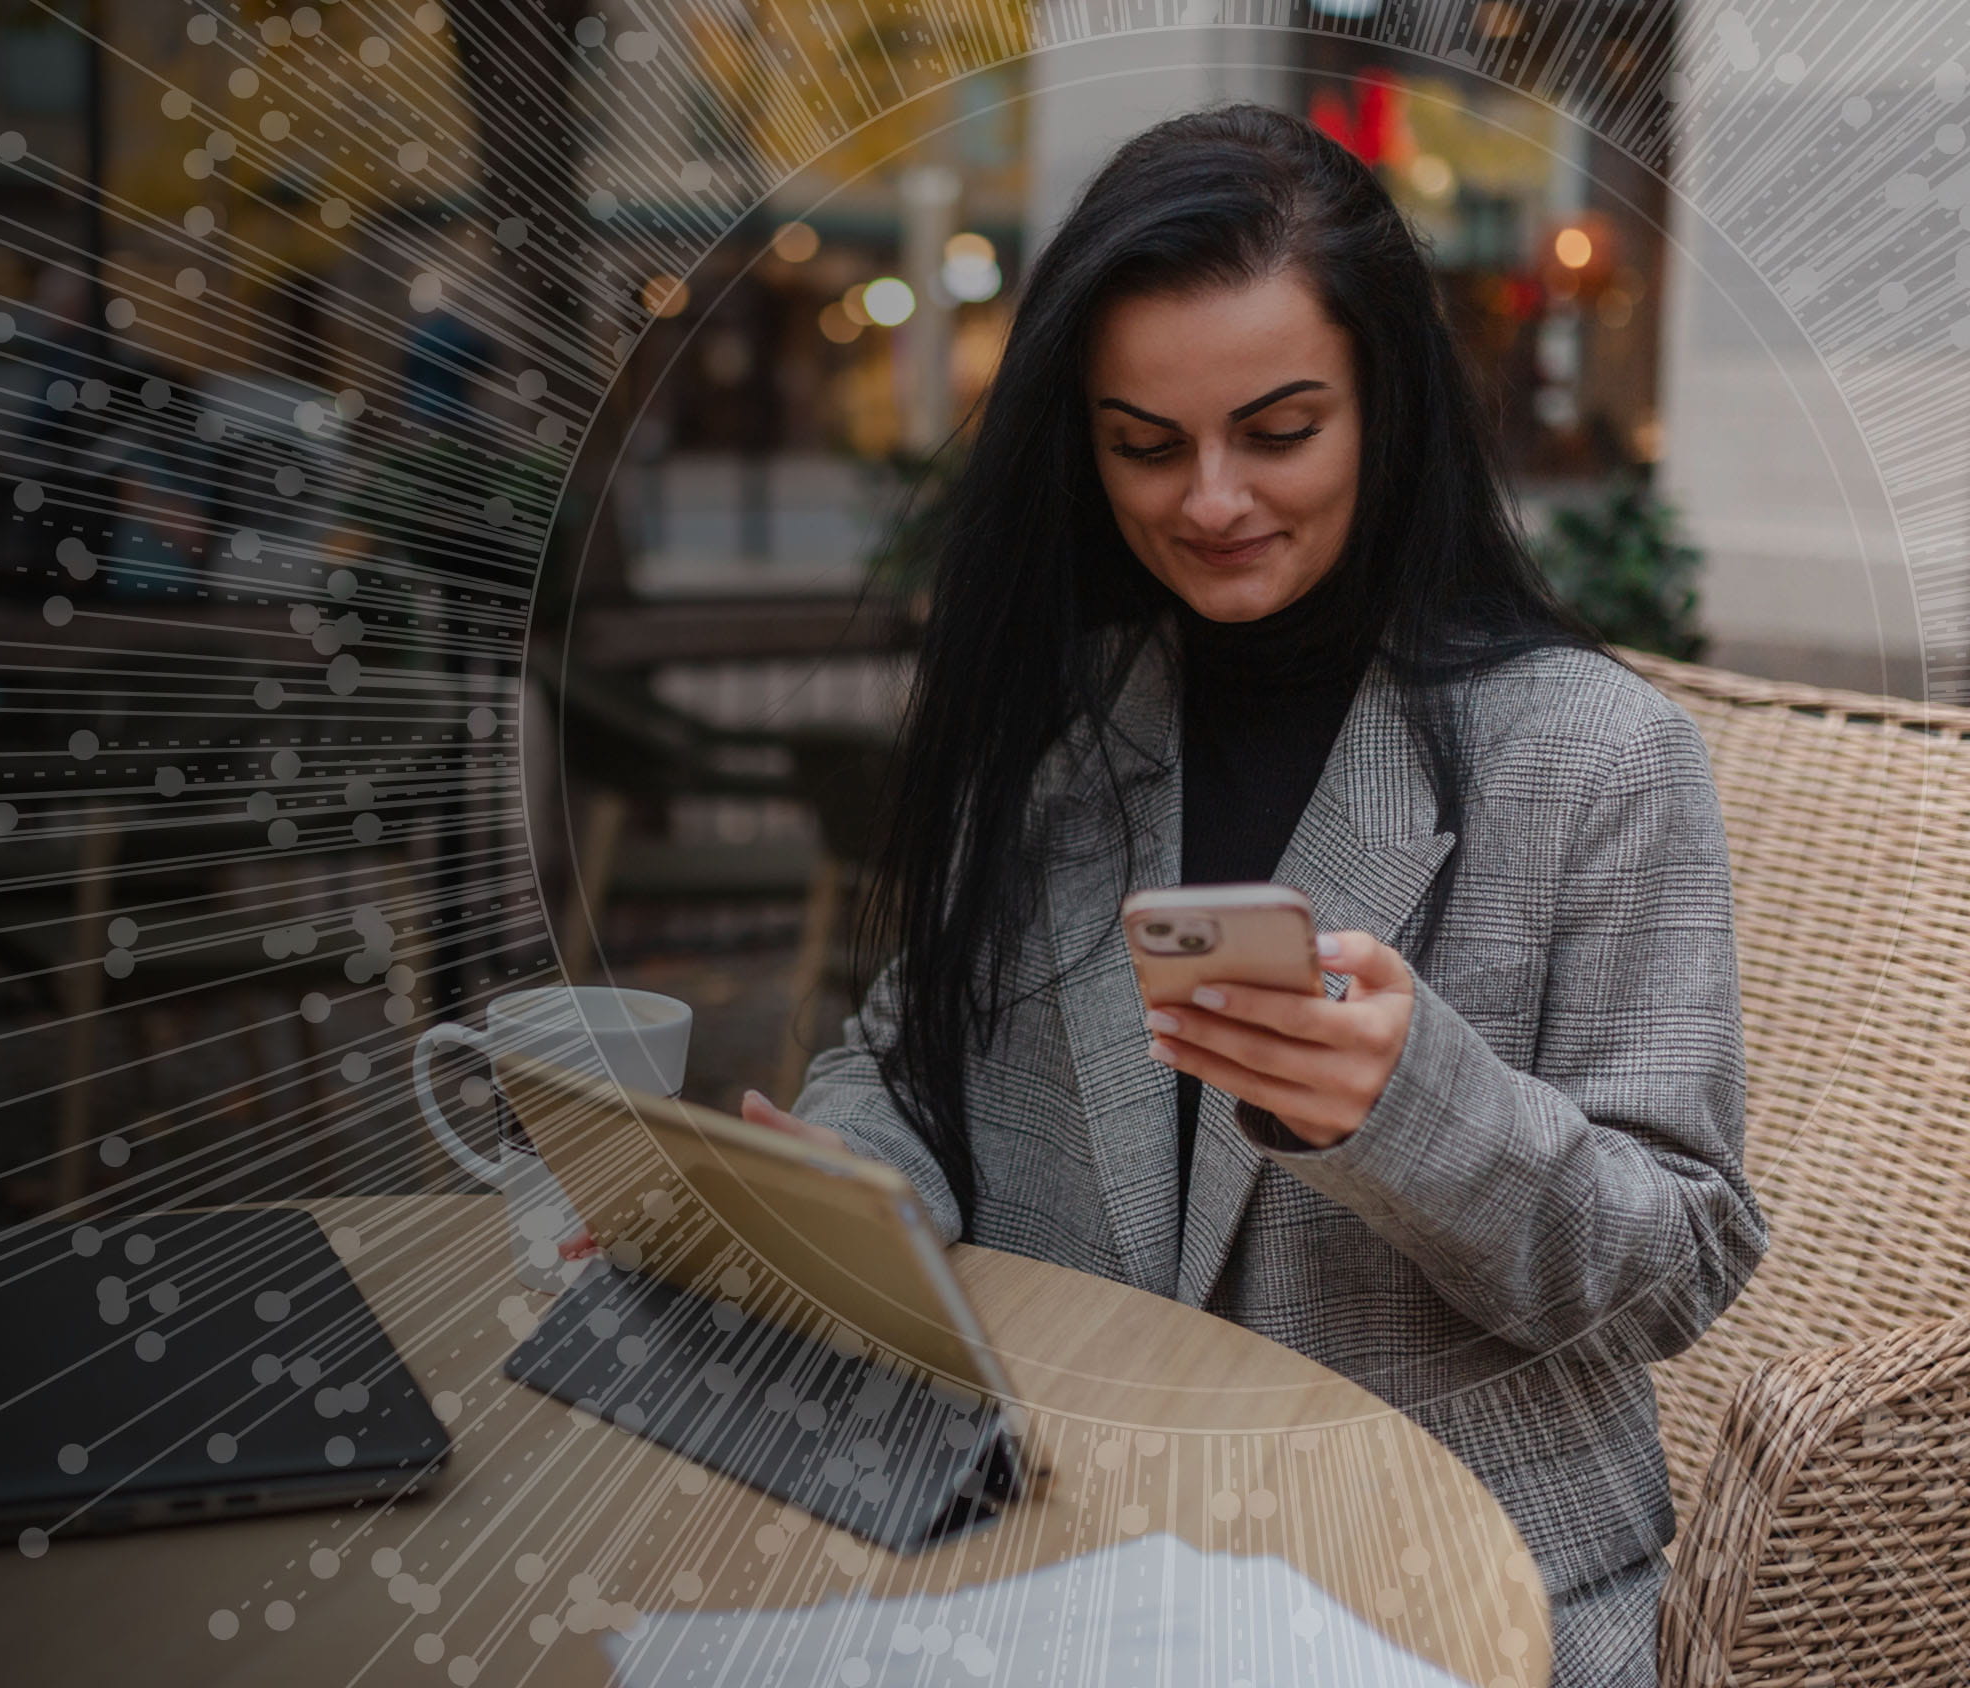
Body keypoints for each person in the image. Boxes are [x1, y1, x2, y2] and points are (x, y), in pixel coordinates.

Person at [752, 105, 1765, 1687]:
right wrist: (831, 1188)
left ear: (1388, 410)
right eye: (1144, 445)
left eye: (1279, 431)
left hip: (1440, 1587)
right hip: (1061, 1568)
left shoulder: (1592, 758)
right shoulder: (1071, 726)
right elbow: (913, 1060)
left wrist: (1418, 1115)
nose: (1208, 500)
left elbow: (1676, 1265)